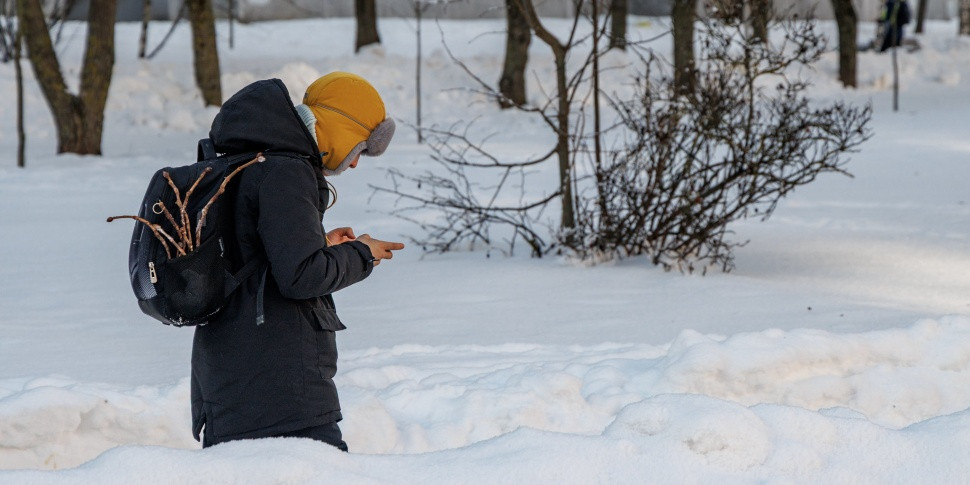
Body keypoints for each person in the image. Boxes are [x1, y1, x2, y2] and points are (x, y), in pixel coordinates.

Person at [190, 72, 404, 451]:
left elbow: (252, 255)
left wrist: (319, 243)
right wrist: (361, 254)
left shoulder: (247, 159)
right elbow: (302, 276)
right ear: (340, 126)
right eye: (360, 148)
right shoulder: (287, 171)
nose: (355, 163)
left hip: (228, 374)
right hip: (281, 385)